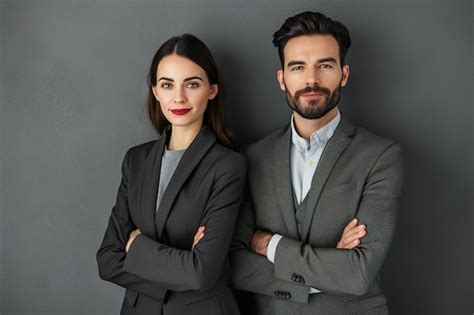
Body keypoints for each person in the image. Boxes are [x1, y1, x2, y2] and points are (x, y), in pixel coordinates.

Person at [230, 11, 403, 314]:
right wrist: (329, 265)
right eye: (298, 67)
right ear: (282, 79)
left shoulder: (380, 155)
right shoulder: (253, 156)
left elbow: (358, 273)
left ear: (344, 74)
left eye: (325, 65)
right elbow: (236, 265)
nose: (311, 80)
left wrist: (269, 245)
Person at [97, 34, 245, 314]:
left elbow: (201, 273)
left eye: (192, 84)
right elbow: (107, 260)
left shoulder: (228, 165)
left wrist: (136, 247)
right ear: (155, 91)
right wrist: (181, 265)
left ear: (211, 90)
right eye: (167, 85)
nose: (178, 97)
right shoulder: (136, 160)